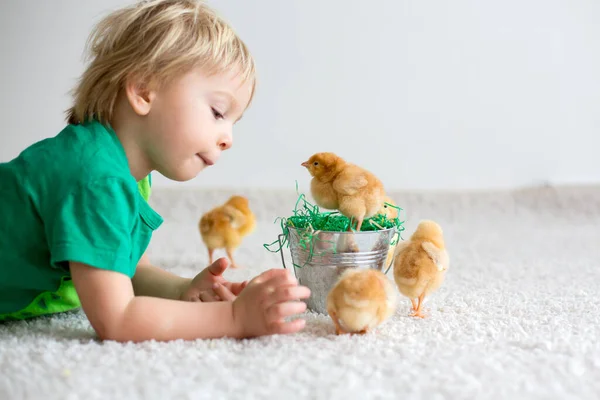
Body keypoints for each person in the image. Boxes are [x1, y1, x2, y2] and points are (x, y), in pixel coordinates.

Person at [0, 0, 310, 342]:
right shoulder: (94, 178)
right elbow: (117, 319)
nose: (228, 139)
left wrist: (184, 293)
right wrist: (234, 317)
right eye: (219, 112)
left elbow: (131, 271)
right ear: (144, 91)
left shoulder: (128, 174)